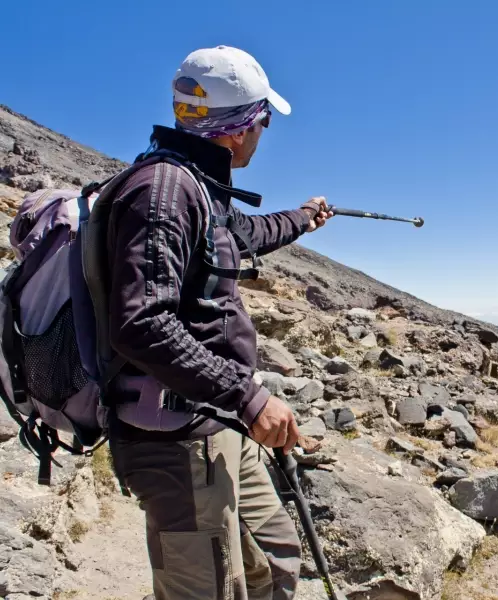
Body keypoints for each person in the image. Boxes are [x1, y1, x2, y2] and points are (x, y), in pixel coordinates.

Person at [104, 45, 332, 600]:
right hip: (175, 439)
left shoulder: (195, 187)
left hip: (216, 423)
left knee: (273, 559)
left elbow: (244, 235)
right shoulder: (163, 193)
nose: (264, 132)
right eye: (264, 120)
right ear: (240, 128)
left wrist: (303, 218)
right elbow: (139, 322)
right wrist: (249, 398)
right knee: (203, 589)